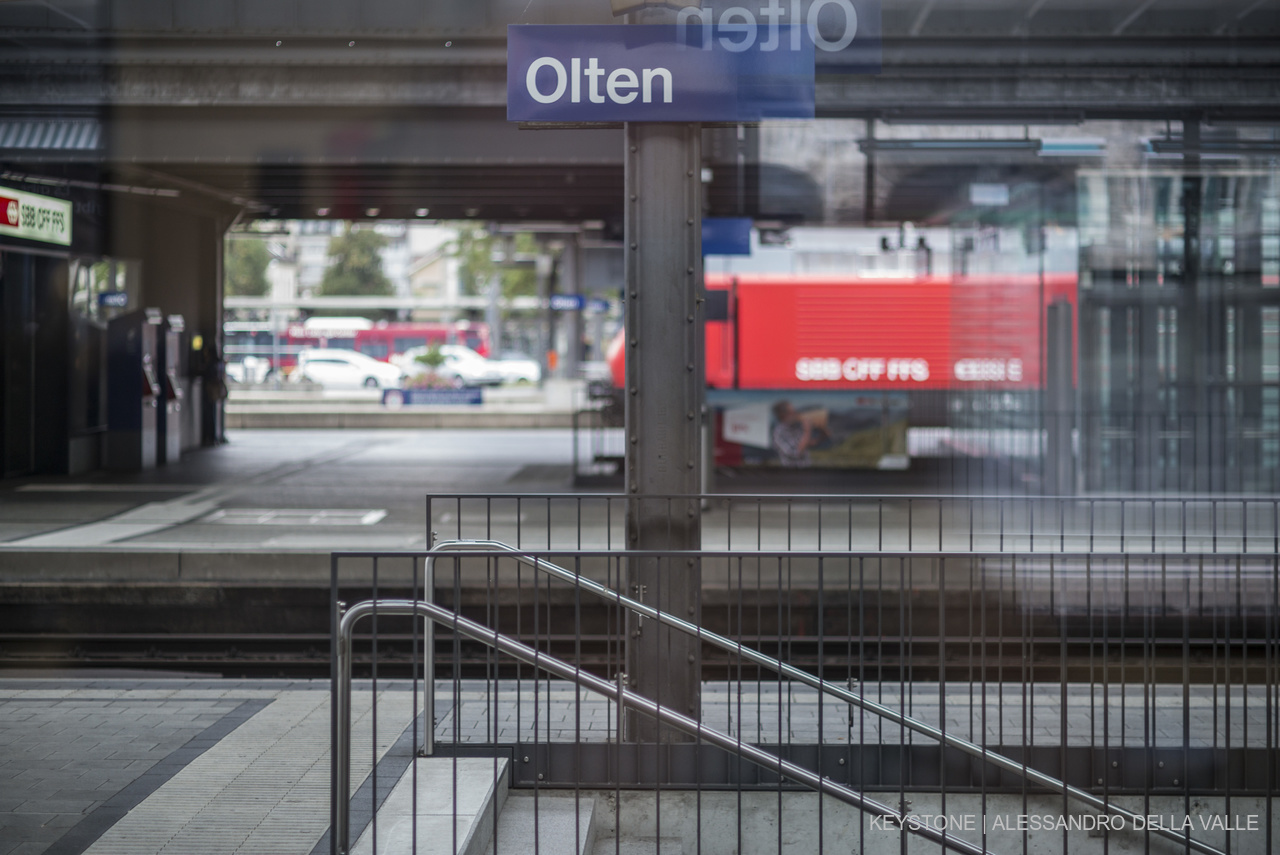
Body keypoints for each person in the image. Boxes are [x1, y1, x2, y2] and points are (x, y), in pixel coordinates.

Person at [771, 400, 828, 467]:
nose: (796, 413)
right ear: (783, 415)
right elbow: (796, 453)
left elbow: (806, 444)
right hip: (791, 472)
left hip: (806, 468)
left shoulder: (796, 426)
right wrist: (807, 431)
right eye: (792, 412)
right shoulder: (778, 433)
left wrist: (822, 435)